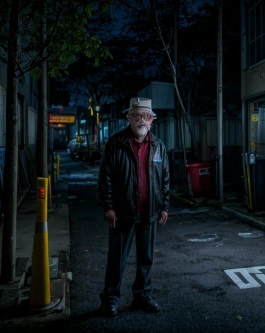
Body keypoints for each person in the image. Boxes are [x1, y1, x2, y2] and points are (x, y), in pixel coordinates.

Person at [97, 97, 170, 317]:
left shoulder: (158, 145)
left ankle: (142, 295)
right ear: (129, 118)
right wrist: (108, 207)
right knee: (117, 259)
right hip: (122, 212)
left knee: (146, 258)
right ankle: (110, 299)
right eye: (137, 115)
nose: (141, 120)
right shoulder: (116, 143)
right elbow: (105, 177)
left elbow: (164, 177)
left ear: (152, 121)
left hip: (149, 212)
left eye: (146, 116)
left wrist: (164, 206)